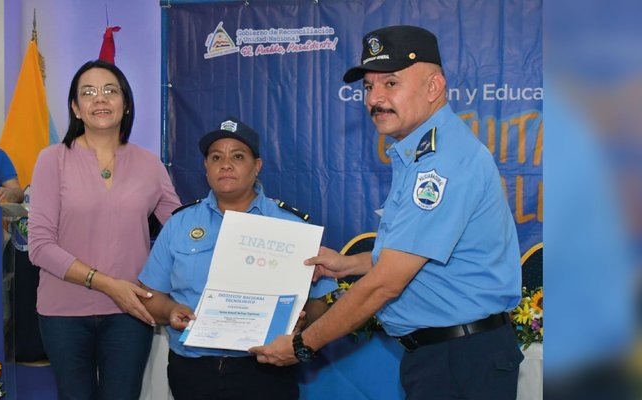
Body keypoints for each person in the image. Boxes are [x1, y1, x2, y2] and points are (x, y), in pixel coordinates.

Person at [250, 25, 524, 400]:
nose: (374, 99)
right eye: (368, 87)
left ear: (433, 87)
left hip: (460, 361)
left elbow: (386, 283)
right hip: (447, 356)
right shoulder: (420, 153)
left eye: (390, 84)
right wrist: (347, 264)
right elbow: (418, 252)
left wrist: (302, 345)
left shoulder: (441, 163)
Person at [138, 117, 337, 400]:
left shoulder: (292, 227)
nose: (226, 164)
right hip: (193, 368)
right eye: (216, 157)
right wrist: (170, 311)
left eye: (238, 156)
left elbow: (320, 301)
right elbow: (151, 295)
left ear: (257, 166)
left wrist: (302, 329)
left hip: (266, 368)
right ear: (206, 167)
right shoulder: (179, 224)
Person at [28, 59, 181, 400]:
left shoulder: (149, 163)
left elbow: (181, 231)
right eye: (89, 92)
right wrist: (110, 285)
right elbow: (39, 246)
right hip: (63, 312)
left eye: (110, 91)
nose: (100, 99)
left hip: (130, 312)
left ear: (125, 104)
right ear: (75, 108)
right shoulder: (52, 159)